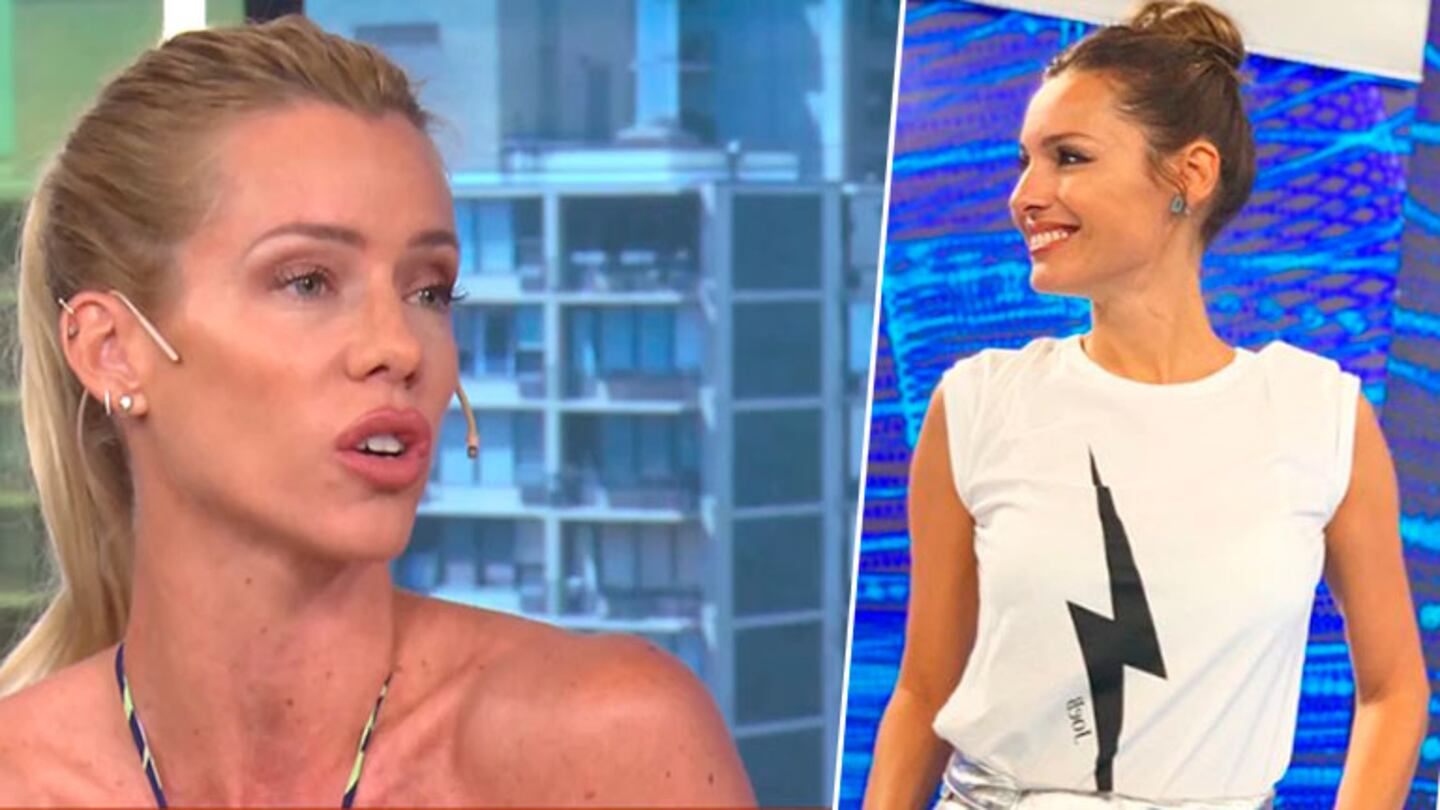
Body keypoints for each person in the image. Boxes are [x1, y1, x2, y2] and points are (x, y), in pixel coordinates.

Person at [0, 16, 754, 806]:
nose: (398, 348)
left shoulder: (608, 748)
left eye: (427, 290)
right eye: (307, 282)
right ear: (112, 350)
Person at [863, 2, 1428, 808]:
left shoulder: (1320, 415)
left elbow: (1394, 690)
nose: (1025, 195)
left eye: (1068, 157)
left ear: (1190, 175)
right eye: (1024, 161)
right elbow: (923, 691)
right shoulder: (979, 402)